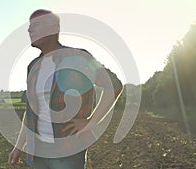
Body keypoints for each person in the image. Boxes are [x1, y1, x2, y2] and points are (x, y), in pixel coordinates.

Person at [8, 9, 123, 169]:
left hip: (68, 152)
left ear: (54, 28)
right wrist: (18, 146)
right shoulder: (32, 66)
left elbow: (114, 85)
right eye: (29, 26)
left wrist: (91, 122)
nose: (29, 29)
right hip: (38, 152)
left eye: (36, 25)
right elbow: (31, 111)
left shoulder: (78, 57)